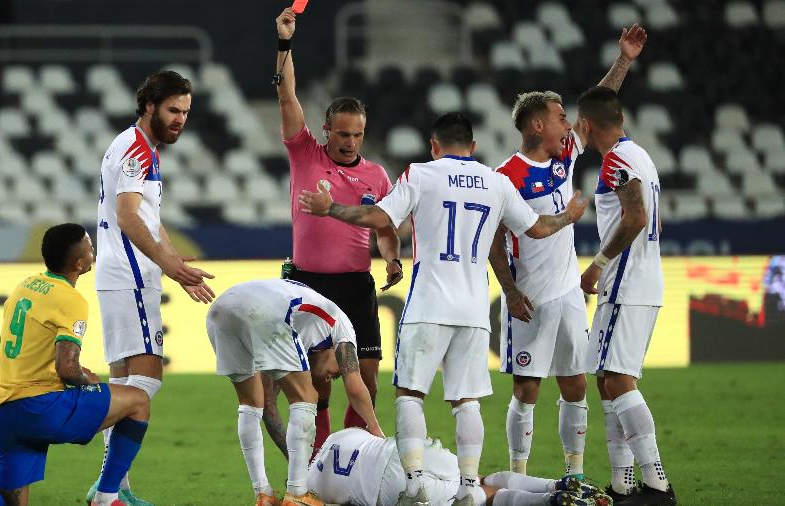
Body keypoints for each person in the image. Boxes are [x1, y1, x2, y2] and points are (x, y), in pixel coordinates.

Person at [300, 112, 587, 505]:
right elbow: (535, 227)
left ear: (434, 146)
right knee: (466, 400)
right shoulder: (497, 182)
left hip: (429, 304)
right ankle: (470, 487)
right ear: (473, 147)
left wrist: (330, 208)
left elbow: (380, 217)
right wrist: (569, 216)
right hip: (473, 310)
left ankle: (415, 481)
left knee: (409, 394)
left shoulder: (421, 174)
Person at [487, 23, 647, 478]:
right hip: (528, 299)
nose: (570, 125)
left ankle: (573, 476)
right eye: (560, 118)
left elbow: (597, 102)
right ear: (538, 124)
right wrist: (511, 292)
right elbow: (495, 243)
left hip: (568, 293)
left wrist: (624, 60)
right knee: (526, 388)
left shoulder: (565, 155)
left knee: (575, 385)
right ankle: (518, 474)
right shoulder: (507, 177)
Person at [0, 223, 151, 506]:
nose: (93, 251)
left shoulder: (24, 286)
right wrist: (88, 381)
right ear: (79, 263)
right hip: (39, 407)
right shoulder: (71, 299)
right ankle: (106, 495)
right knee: (138, 401)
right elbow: (66, 368)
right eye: (90, 248)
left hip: (2, 411)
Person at [275, 7, 403, 453]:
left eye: (358, 135)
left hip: (354, 284)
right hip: (309, 284)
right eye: (343, 133)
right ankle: (320, 455)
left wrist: (390, 256)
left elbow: (385, 226)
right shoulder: (306, 154)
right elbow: (288, 98)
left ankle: (354, 454)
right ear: (327, 129)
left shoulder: (377, 176)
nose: (350, 142)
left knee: (368, 376)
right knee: (318, 377)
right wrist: (285, 45)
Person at [88, 70, 216, 506]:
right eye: (173, 110)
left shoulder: (140, 148)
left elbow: (146, 218)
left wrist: (172, 258)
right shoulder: (135, 149)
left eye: (186, 112)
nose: (181, 119)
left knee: (124, 379)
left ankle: (114, 487)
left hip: (122, 274)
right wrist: (166, 264)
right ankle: (102, 483)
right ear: (149, 106)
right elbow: (126, 216)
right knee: (146, 382)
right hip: (128, 275)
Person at [577, 86, 677, 505]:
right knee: (605, 381)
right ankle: (622, 485)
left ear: (585, 125)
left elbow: (634, 217)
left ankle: (656, 486)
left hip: (626, 281)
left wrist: (598, 262)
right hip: (640, 279)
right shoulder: (640, 155)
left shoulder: (617, 160)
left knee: (618, 379)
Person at [206, 279, 384, 506]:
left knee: (250, 403)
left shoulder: (303, 328)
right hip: (264, 311)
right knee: (307, 397)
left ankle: (263, 494)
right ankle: (297, 494)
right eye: (336, 373)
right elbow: (355, 382)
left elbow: (268, 401)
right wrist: (376, 429)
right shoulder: (342, 325)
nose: (331, 377)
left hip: (220, 310)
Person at [309, 428, 612, 506]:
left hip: (384, 492)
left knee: (472, 498)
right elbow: (373, 435)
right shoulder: (340, 435)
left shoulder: (312, 484)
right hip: (403, 452)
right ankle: (557, 485)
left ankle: (551, 501)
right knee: (473, 479)